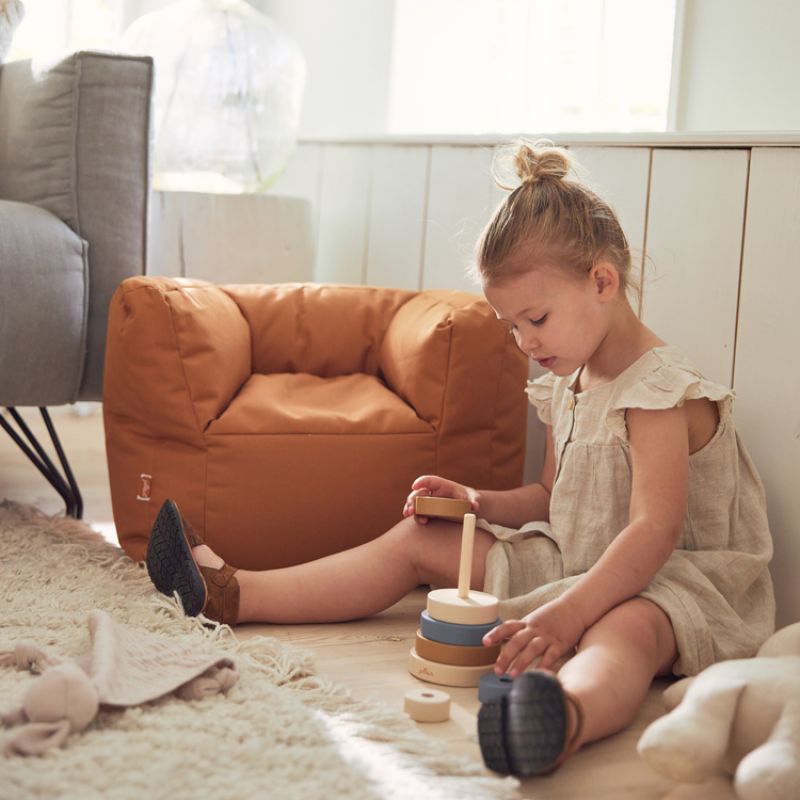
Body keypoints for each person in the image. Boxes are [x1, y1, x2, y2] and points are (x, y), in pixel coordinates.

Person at [145, 141, 775, 776]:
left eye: (536, 319)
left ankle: (559, 717)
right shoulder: (568, 380)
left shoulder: (657, 391)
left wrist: (571, 613)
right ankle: (234, 594)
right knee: (420, 539)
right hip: (578, 563)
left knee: (628, 632)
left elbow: (654, 531)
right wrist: (479, 504)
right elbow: (550, 497)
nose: (526, 343)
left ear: (603, 282)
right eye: (512, 328)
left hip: (671, 582)